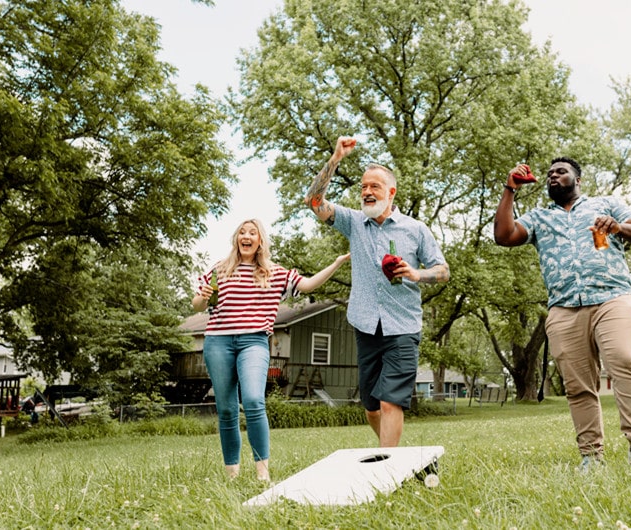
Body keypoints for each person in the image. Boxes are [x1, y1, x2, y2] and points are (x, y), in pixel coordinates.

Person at [493, 157, 631, 470]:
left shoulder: (606, 204)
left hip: (613, 298)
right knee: (577, 385)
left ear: (577, 179)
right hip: (565, 308)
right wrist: (509, 189)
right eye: (550, 173)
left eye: (561, 171)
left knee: (624, 359)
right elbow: (504, 236)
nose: (553, 176)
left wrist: (618, 227)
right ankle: (591, 457)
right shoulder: (539, 218)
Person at [305, 136, 450, 448]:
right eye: (363, 187)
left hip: (404, 327)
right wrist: (335, 159)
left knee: (390, 403)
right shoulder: (354, 223)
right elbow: (314, 202)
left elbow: (443, 271)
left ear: (391, 192)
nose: (367, 192)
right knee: (372, 409)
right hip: (366, 324)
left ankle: (388, 467)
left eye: (374, 187)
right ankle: (394, 454)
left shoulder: (415, 229)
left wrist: (416, 273)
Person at [192, 218, 350, 480]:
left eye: (252, 233)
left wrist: (336, 263)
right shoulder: (220, 269)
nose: (246, 236)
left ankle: (262, 474)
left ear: (260, 241)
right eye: (241, 232)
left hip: (254, 341)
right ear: (236, 239)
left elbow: (308, 285)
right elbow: (197, 304)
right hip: (218, 341)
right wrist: (204, 296)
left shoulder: (275, 273)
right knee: (228, 408)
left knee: (254, 400)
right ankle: (232, 474)